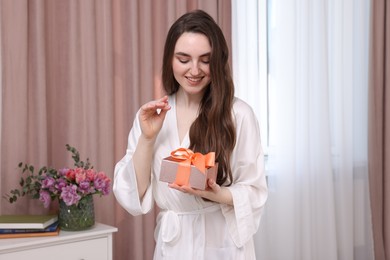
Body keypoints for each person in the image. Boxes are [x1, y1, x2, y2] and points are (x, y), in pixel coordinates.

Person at [113, 9, 268, 260]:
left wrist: (215, 194)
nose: (194, 70)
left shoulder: (238, 115)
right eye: (184, 59)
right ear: (170, 60)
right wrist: (148, 138)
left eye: (205, 60)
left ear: (217, 61)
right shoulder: (153, 116)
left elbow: (255, 190)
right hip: (174, 244)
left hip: (221, 242)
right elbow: (132, 193)